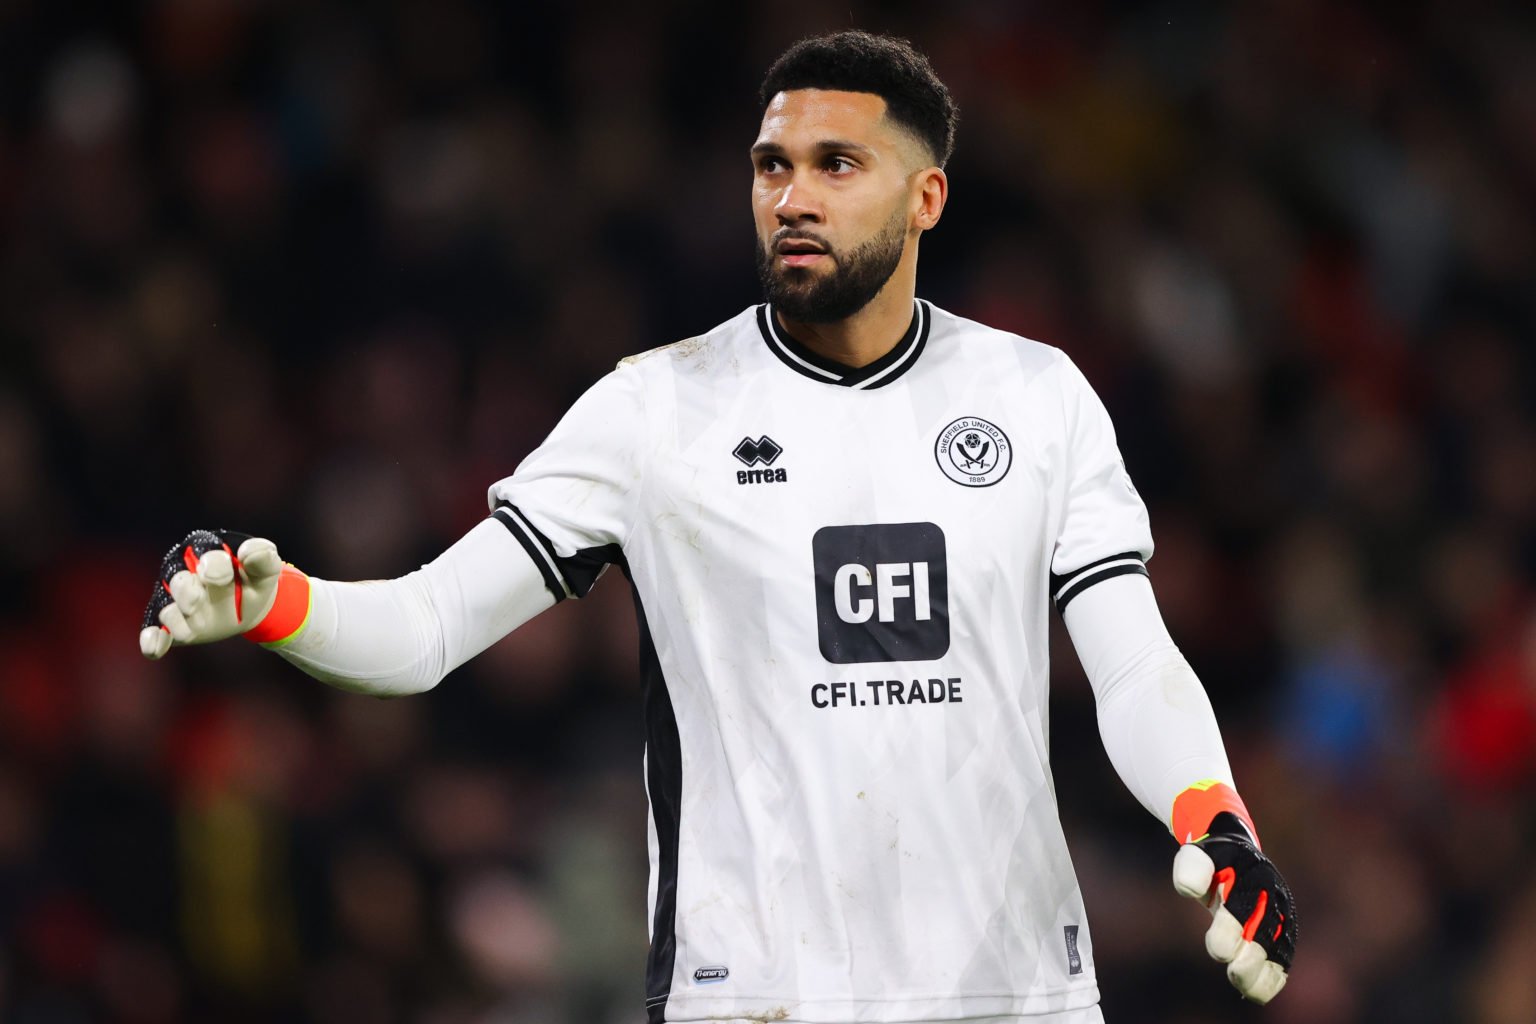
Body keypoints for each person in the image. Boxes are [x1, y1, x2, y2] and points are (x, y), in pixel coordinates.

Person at [139, 30, 1296, 1024]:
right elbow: (429, 625)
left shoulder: (1036, 397)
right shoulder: (657, 409)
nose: (793, 196)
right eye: (772, 166)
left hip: (1010, 995)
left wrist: (1219, 822)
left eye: (838, 165)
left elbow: (1134, 662)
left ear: (925, 196)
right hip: (754, 997)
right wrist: (280, 603)